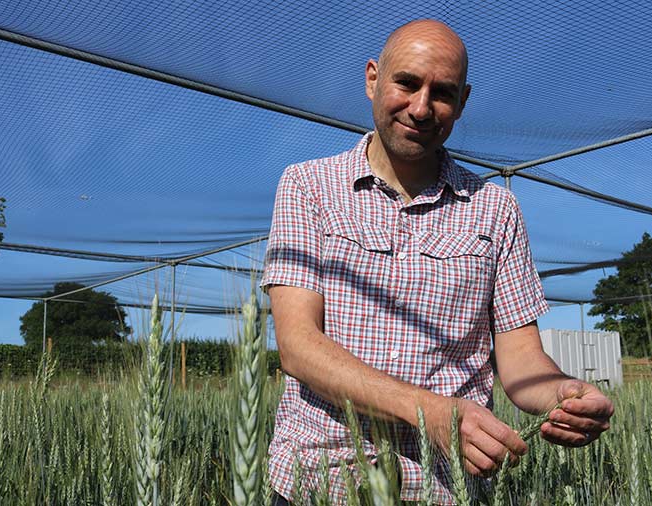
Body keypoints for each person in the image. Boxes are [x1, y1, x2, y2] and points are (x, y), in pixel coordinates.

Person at [261, 19, 614, 505]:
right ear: (372, 79)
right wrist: (428, 411)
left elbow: (521, 361)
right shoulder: (308, 187)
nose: (422, 108)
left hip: (447, 490)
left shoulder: (495, 209)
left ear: (463, 102)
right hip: (322, 482)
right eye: (406, 82)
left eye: (442, 93)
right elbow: (298, 345)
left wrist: (565, 395)